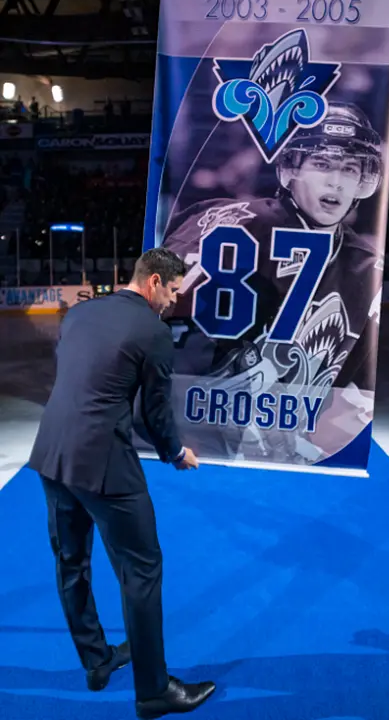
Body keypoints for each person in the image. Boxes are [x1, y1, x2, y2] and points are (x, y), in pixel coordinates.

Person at [28, 248, 216, 719]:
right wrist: (176, 452)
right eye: (172, 290)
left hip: (52, 451)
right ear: (153, 281)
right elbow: (154, 414)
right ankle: (153, 690)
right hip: (104, 462)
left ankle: (95, 662)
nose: (173, 300)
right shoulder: (153, 332)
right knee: (143, 570)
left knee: (72, 561)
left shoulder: (82, 311)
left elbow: (79, 377)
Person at [163, 102, 384, 462]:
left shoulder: (365, 267)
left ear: (363, 179)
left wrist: (305, 448)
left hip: (272, 445)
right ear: (291, 168)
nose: (335, 180)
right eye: (322, 163)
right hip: (192, 430)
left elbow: (357, 390)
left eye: (349, 168)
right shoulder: (231, 223)